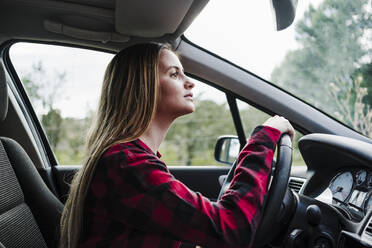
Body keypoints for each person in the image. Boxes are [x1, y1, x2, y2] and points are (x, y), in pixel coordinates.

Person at [59, 43, 295, 248]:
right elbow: (233, 229)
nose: (190, 83)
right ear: (143, 87)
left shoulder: (130, 159)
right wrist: (264, 138)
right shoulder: (127, 164)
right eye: (174, 74)